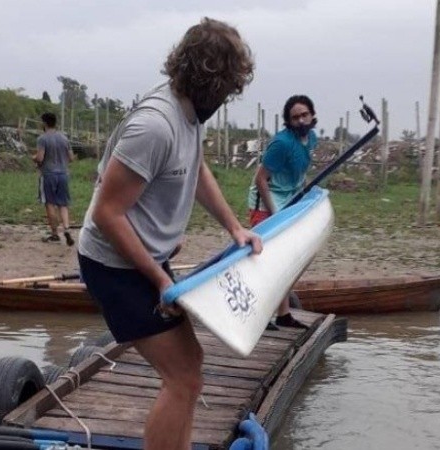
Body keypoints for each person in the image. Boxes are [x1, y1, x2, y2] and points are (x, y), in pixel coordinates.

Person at [77, 18, 261, 450]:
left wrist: (234, 228)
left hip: (144, 259)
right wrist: (160, 280)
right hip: (113, 265)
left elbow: (195, 168)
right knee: (182, 377)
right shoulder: (154, 125)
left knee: (189, 371)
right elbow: (106, 212)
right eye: (228, 88)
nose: (227, 97)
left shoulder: (189, 114)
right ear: (208, 82)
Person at [247, 95, 318, 330]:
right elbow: (260, 179)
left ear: (312, 115)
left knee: (286, 259)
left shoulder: (312, 139)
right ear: (288, 121)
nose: (301, 120)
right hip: (266, 203)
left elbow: (299, 173)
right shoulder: (282, 144)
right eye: (295, 117)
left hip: (288, 202)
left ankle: (284, 314)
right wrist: (274, 212)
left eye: (304, 115)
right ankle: (258, 316)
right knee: (266, 261)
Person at [33, 112, 76, 246]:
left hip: (48, 174)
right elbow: (71, 158)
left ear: (44, 123)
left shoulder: (42, 139)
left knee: (50, 203)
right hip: (63, 174)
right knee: (63, 204)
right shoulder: (64, 138)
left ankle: (54, 233)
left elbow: (40, 158)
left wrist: (33, 158)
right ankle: (67, 228)